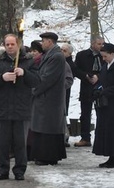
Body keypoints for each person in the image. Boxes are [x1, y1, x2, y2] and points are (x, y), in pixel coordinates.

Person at [0, 34, 36, 181]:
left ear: (18, 45)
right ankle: (2, 170)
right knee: (3, 142)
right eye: (7, 44)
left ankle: (20, 170)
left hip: (21, 107)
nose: (10, 47)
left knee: (20, 142)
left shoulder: (28, 61)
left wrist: (24, 73)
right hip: (3, 107)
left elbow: (37, 80)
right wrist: (2, 78)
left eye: (12, 44)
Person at [29, 32, 67, 166]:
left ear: (50, 42)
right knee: (43, 127)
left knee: (48, 128)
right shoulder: (50, 55)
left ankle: (48, 156)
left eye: (43, 41)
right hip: (45, 98)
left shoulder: (56, 57)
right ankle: (42, 155)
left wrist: (34, 90)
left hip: (50, 99)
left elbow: (47, 78)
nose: (42, 44)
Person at [74, 36, 104, 147]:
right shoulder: (82, 55)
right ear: (92, 44)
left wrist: (98, 77)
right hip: (86, 86)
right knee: (85, 113)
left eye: (102, 44)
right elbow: (76, 69)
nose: (101, 46)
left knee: (101, 112)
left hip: (100, 87)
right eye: (99, 44)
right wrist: (86, 76)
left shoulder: (104, 55)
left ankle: (101, 137)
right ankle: (85, 137)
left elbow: (107, 69)